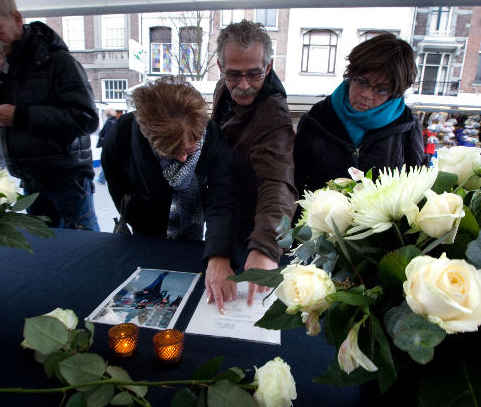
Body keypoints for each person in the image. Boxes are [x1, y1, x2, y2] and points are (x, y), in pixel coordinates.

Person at [0, 0, 99, 231]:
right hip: (30, 180)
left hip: (68, 178)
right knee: (45, 252)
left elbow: (86, 119)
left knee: (84, 249)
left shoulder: (58, 61)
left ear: (16, 18)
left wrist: (19, 116)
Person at [101, 76, 237, 313]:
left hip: (193, 233)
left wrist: (218, 255)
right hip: (146, 232)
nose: (184, 159)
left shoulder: (212, 136)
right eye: (172, 152)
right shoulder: (124, 133)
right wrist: (134, 213)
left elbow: (221, 198)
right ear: (148, 135)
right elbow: (116, 179)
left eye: (190, 149)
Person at [211, 20, 297, 307]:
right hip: (226, 210)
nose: (244, 85)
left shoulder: (274, 117)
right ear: (221, 69)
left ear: (269, 67)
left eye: (254, 74)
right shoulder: (223, 89)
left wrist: (266, 247)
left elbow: (278, 183)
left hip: (256, 225)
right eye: (234, 75)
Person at [294, 32, 425, 197]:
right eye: (361, 82)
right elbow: (296, 181)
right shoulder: (316, 118)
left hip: (383, 221)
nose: (367, 94)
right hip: (322, 220)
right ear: (351, 75)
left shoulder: (407, 126)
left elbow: (417, 187)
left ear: (395, 92)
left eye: (381, 90)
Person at [96, 107, 117, 184]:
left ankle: (101, 179)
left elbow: (107, 135)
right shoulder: (116, 121)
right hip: (115, 146)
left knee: (105, 162)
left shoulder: (109, 122)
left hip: (108, 146)